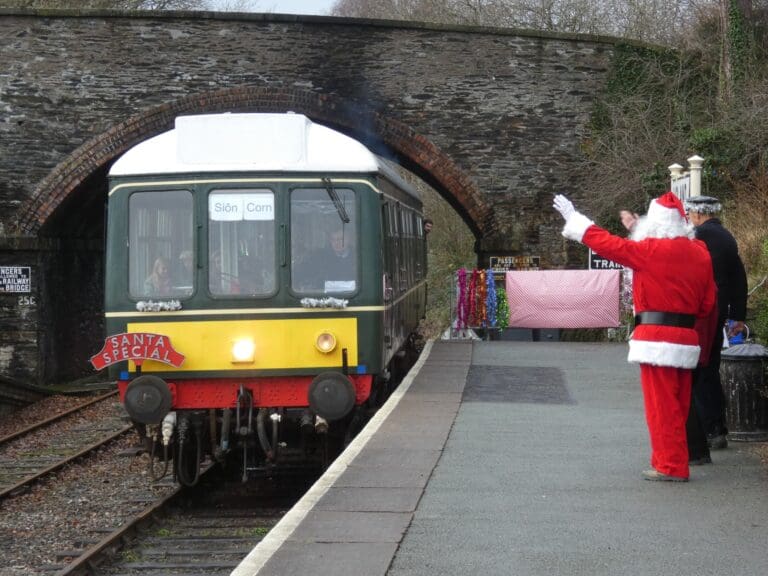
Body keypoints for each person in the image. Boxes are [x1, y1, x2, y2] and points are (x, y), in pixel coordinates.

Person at [554, 192, 716, 482]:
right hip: (687, 337)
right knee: (678, 406)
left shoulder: (648, 250)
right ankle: (675, 460)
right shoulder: (700, 252)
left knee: (660, 406)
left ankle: (670, 465)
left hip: (654, 337)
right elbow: (707, 305)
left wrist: (577, 222)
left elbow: (609, 245)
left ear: (654, 223)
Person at [685, 195, 749, 450]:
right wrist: (739, 315)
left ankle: (708, 429)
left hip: (701, 311)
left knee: (699, 370)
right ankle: (717, 426)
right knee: (710, 367)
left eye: (690, 212)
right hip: (721, 309)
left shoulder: (697, 237)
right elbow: (739, 278)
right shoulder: (727, 237)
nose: (689, 217)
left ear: (699, 214)